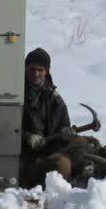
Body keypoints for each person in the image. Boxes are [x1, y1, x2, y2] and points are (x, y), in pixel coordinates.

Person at [20, 47, 74, 186]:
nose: (36, 74)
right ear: (26, 68)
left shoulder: (55, 100)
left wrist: (65, 134)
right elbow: (6, 127)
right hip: (22, 152)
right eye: (32, 69)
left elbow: (63, 127)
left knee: (62, 165)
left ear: (47, 71)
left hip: (48, 152)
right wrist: (27, 137)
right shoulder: (14, 94)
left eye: (41, 70)